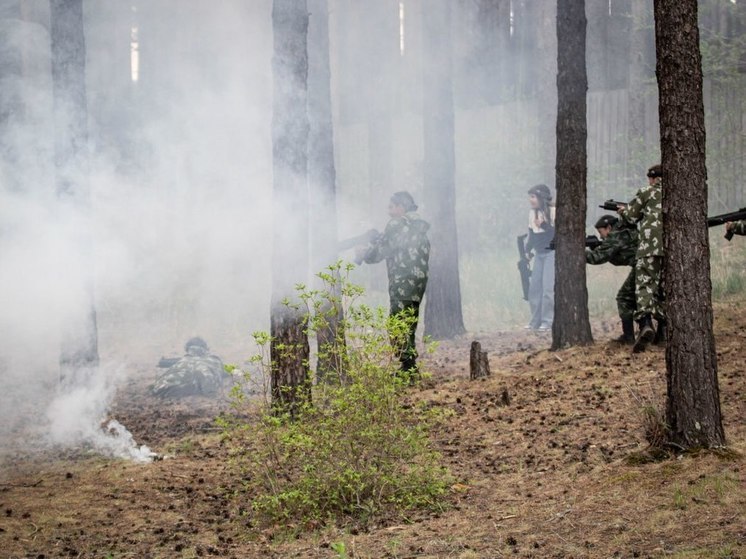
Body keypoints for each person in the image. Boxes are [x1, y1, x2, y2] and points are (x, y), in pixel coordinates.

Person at [358, 191, 430, 375]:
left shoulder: (398, 224)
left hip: (402, 283)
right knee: (409, 323)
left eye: (391, 207)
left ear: (401, 207)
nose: (389, 212)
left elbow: (380, 252)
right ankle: (410, 367)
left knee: (397, 324)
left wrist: (364, 254)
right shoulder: (419, 225)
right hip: (418, 284)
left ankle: (407, 369)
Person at [618, 164, 664, 353]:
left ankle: (646, 323)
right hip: (674, 249)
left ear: (653, 178)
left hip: (649, 247)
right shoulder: (680, 192)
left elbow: (630, 216)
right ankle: (664, 331)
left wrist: (622, 211)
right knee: (664, 288)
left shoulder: (646, 192)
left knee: (645, 284)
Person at [586, 215, 638, 344]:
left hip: (643, 267)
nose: (602, 237)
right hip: (651, 265)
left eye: (601, 233)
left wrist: (579, 252)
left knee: (624, 298)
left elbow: (597, 258)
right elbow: (618, 256)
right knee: (648, 298)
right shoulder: (625, 231)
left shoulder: (615, 235)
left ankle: (629, 337)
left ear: (608, 227)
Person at [152, 337, 228, 398]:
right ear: (205, 349)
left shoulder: (183, 360)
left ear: (188, 349)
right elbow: (227, 371)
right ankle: (195, 387)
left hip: (161, 388)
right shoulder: (213, 360)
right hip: (192, 385)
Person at [524, 184, 555, 332]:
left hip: (551, 253)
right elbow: (532, 234)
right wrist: (528, 251)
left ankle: (547, 321)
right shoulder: (531, 213)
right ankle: (535, 321)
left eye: (533, 197)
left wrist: (543, 224)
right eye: (530, 197)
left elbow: (557, 233)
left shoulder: (553, 211)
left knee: (547, 289)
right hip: (539, 254)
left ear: (541, 197)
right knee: (534, 288)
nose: (531, 200)